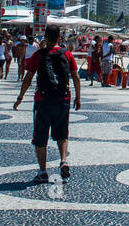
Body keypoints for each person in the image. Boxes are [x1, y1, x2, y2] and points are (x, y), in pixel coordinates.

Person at [13, 25, 81, 184]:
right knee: (62, 134)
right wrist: (78, 97)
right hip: (63, 100)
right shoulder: (67, 54)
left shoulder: (39, 55)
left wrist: (20, 97)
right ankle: (64, 160)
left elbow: (28, 77)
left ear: (45, 36)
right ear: (59, 37)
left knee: (40, 137)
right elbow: (76, 77)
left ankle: (43, 172)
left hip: (42, 101)